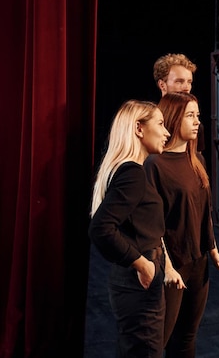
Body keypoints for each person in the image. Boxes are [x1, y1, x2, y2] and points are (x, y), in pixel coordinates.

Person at [88, 100, 185, 357]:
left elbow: (143, 227)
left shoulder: (129, 170)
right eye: (161, 124)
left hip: (138, 278)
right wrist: (143, 264)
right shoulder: (132, 173)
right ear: (139, 129)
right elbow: (101, 228)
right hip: (138, 282)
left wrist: (165, 267)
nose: (166, 132)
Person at [144, 92, 219, 357]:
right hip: (172, 264)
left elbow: (204, 211)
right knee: (161, 339)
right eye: (190, 116)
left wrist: (213, 250)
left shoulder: (197, 160)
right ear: (173, 117)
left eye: (198, 116)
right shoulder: (154, 164)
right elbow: (152, 223)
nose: (197, 122)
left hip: (199, 261)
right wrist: (168, 267)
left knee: (187, 337)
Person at [153, 53, 205, 153]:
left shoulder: (196, 125)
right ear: (162, 85)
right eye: (179, 82)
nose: (186, 88)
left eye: (189, 82)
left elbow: (196, 162)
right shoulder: (150, 120)